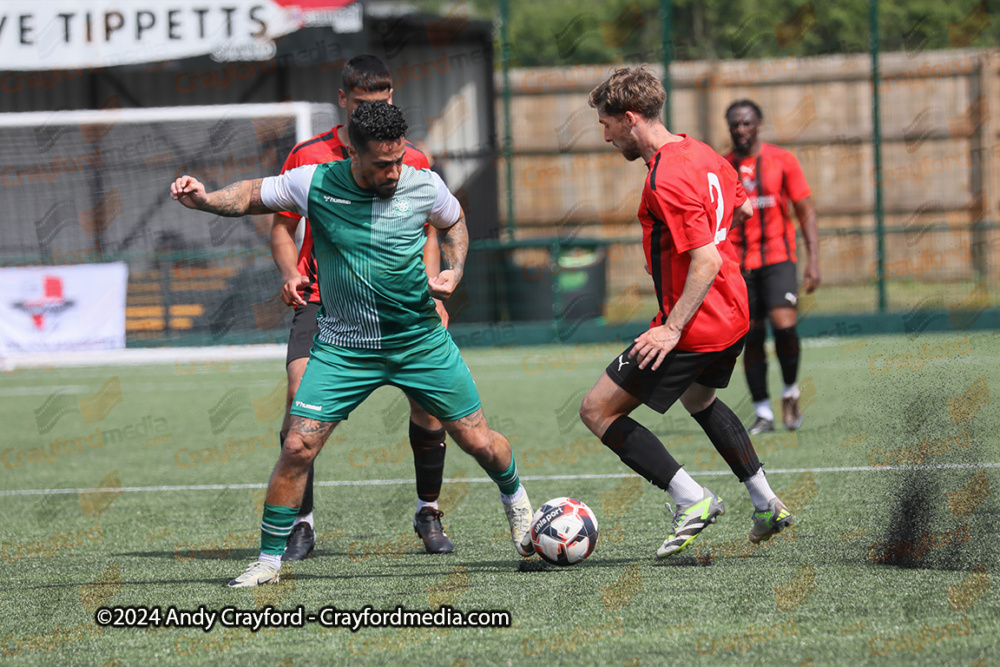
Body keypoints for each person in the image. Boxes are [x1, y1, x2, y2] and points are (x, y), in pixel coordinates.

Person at [171, 101, 535, 587]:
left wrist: (455, 269)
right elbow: (252, 194)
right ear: (354, 155)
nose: (394, 171)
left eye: (399, 160)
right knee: (297, 444)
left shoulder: (423, 184)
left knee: (478, 441)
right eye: (383, 164)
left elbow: (454, 222)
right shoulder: (315, 182)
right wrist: (204, 199)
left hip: (419, 341)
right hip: (344, 348)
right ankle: (268, 562)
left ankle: (517, 505)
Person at [578, 67, 793, 558]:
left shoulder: (667, 176)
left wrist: (672, 329)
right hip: (732, 309)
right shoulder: (703, 153)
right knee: (700, 402)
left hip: (696, 323)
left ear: (630, 119)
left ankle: (691, 499)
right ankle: (765, 504)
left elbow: (705, 258)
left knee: (596, 410)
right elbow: (739, 206)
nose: (606, 135)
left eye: (607, 124)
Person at [269, 54, 454, 559]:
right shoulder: (308, 156)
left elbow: (430, 230)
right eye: (365, 104)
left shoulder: (411, 157)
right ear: (344, 103)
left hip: (402, 304)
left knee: (429, 401)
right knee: (297, 394)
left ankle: (428, 512)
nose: (375, 112)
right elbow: (281, 226)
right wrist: (291, 274)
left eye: (384, 102)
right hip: (326, 300)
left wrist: (435, 290)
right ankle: (300, 524)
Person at [724, 100, 820, 435]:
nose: (741, 130)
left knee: (784, 326)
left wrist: (814, 260)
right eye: (735, 124)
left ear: (759, 124)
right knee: (750, 337)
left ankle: (790, 392)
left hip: (779, 258)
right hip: (739, 265)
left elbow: (805, 211)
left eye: (746, 123)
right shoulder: (723, 167)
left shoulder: (782, 161)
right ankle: (762, 411)